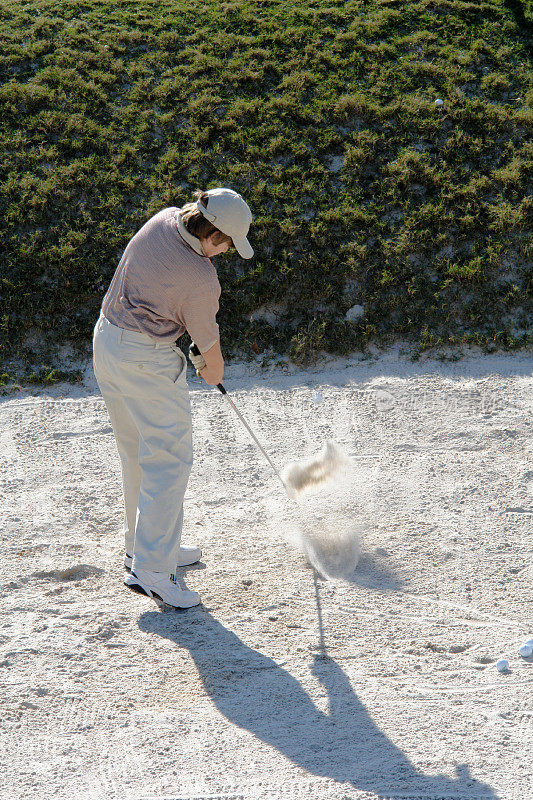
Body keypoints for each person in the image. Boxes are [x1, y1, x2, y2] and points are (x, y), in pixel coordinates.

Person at [92, 188, 253, 609]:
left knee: (137, 452)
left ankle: (144, 547)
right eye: (229, 245)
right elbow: (212, 363)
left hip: (107, 342)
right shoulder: (201, 280)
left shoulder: (164, 219)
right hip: (145, 360)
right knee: (169, 459)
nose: (226, 253)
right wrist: (209, 368)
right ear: (214, 235)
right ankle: (153, 570)